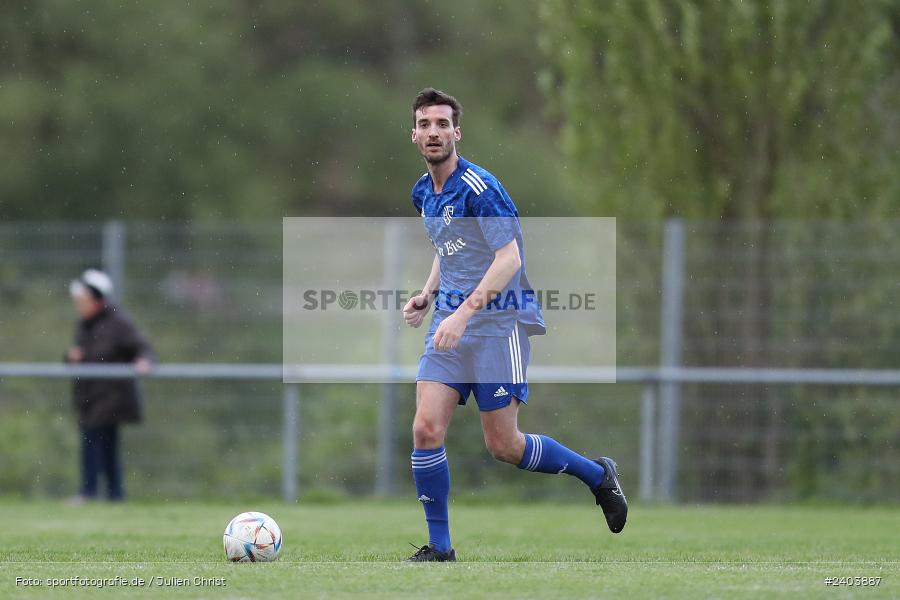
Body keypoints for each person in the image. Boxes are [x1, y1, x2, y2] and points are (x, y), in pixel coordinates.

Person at [401, 88, 627, 562]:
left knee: (504, 446)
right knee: (425, 428)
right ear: (414, 135)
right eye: (425, 124)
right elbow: (449, 249)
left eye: (442, 124)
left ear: (457, 132)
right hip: (449, 325)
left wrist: (464, 314)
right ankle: (440, 549)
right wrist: (429, 294)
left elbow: (509, 259)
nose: (434, 132)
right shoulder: (423, 192)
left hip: (498, 324)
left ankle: (596, 474)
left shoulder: (481, 187)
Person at [65, 269, 154, 503]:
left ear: (96, 298)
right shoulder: (85, 324)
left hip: (111, 396)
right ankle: (111, 495)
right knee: (99, 444)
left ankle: (93, 492)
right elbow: (82, 353)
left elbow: (142, 346)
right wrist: (71, 356)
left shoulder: (117, 322)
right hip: (90, 395)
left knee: (97, 443)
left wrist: (144, 361)